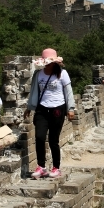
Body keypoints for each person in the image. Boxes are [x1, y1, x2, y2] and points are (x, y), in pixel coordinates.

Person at [23, 48, 77, 179]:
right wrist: (29, 107)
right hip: (42, 108)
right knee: (40, 137)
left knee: (53, 140)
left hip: (58, 108)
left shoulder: (62, 74)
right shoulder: (38, 74)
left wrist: (71, 109)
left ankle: (56, 168)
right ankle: (41, 167)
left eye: (49, 62)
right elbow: (34, 91)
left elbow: (69, 92)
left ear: (54, 63)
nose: (47, 64)